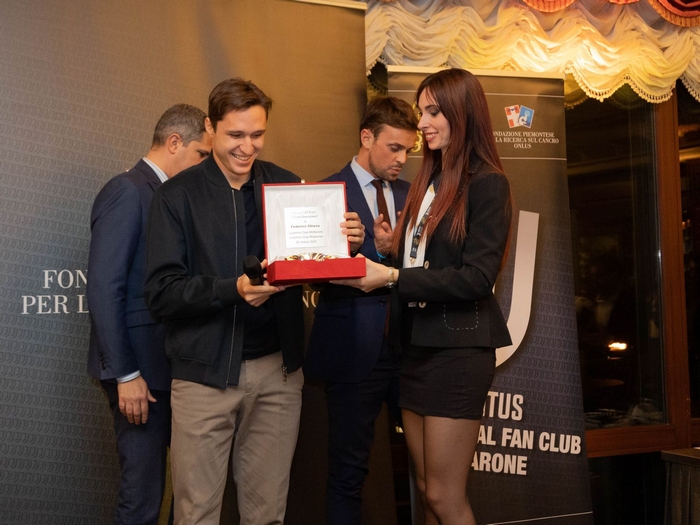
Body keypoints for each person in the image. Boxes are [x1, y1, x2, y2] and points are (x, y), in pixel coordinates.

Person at [144, 78, 365, 525]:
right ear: (210, 128)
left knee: (267, 515)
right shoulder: (176, 195)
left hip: (277, 374)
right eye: (235, 135)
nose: (247, 147)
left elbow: (314, 262)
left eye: (257, 134)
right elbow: (162, 293)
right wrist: (235, 290)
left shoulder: (286, 184)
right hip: (204, 377)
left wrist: (345, 243)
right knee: (196, 515)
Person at [334, 68, 512, 525]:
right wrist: (391, 250)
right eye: (422, 111)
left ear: (461, 113)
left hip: (458, 352)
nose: (423, 123)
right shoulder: (430, 180)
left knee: (443, 496)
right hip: (415, 348)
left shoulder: (487, 182)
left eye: (433, 112)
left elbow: (476, 278)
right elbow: (426, 263)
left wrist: (392, 276)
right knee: (425, 488)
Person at [87, 103, 211, 525]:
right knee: (142, 497)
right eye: (201, 154)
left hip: (179, 368)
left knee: (191, 495)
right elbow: (104, 288)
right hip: (140, 373)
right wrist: (126, 374)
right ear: (174, 142)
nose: (205, 166)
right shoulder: (127, 190)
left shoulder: (177, 196)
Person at [305, 96, 418, 525]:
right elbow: (312, 274)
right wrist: (348, 250)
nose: (402, 159)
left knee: (432, 471)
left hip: (414, 351)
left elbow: (429, 270)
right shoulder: (325, 193)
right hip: (353, 352)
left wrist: (393, 252)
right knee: (348, 474)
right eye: (394, 148)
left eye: (408, 150)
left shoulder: (415, 195)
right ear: (366, 137)